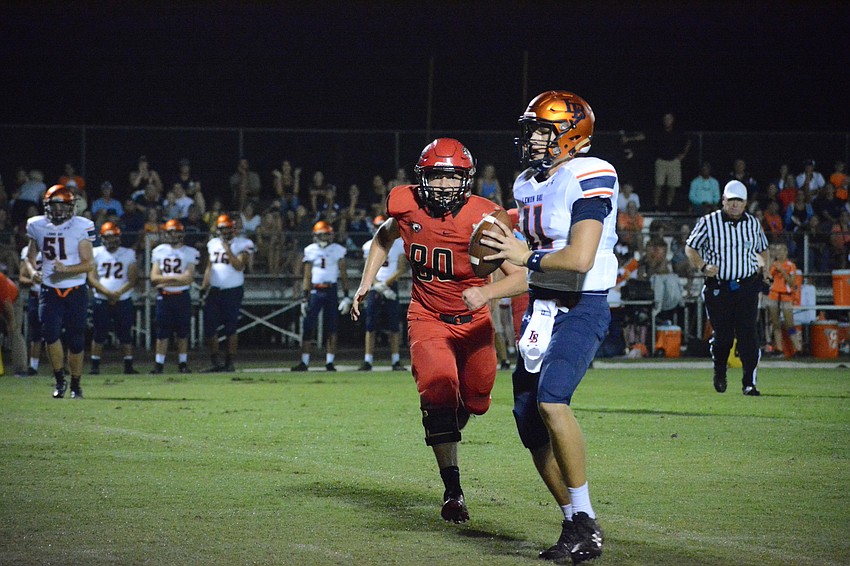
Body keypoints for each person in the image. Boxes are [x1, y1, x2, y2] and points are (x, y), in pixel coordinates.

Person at [464, 91, 615, 563]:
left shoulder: (591, 172)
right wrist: (489, 286)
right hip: (541, 309)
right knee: (529, 422)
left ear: (571, 135)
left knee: (552, 400)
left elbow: (578, 259)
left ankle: (587, 520)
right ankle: (573, 520)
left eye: (541, 131)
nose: (531, 139)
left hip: (582, 303)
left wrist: (519, 253)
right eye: (529, 129)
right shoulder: (527, 184)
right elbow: (526, 269)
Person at [352, 137, 525, 525]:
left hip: (475, 322)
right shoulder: (407, 205)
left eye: (452, 177)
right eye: (437, 176)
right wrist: (368, 279)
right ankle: (453, 490)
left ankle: (450, 416)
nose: (444, 185)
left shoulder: (487, 218)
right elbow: (384, 236)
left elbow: (522, 278)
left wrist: (487, 291)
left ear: (466, 179)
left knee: (477, 401)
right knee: (439, 389)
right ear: (422, 178)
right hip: (427, 316)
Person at [685, 180, 770, 396]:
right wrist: (702, 266)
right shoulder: (708, 222)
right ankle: (720, 370)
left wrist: (765, 271)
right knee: (723, 336)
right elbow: (691, 247)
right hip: (719, 286)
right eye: (730, 200)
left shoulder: (753, 223)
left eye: (738, 201)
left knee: (748, 335)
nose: (734, 205)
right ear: (723, 200)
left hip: (747, 285)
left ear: (745, 203)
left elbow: (763, 250)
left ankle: (749, 383)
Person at [25, 185, 95, 398]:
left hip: (75, 289)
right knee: (50, 335)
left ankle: (76, 384)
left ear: (72, 207)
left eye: (64, 206)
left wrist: (67, 269)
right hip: (49, 290)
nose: (59, 211)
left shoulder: (82, 226)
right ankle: (59, 380)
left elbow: (88, 264)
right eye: (55, 206)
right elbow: (29, 258)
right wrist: (31, 272)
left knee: (75, 340)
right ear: (47, 206)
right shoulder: (36, 225)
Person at [292, 221, 350, 372]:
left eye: (327, 234)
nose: (325, 237)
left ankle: (330, 362)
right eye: (323, 234)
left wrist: (346, 295)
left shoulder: (337, 249)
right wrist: (304, 297)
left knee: (332, 327)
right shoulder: (310, 250)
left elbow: (343, 273)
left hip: (331, 290)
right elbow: (307, 275)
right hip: (315, 291)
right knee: (308, 326)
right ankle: (304, 361)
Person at [200, 214, 255, 372]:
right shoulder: (213, 243)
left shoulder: (242, 243)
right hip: (215, 290)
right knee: (210, 328)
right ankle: (215, 362)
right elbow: (209, 268)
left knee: (231, 327)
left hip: (233, 290)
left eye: (228, 228)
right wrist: (204, 287)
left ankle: (229, 362)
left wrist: (227, 249)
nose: (225, 232)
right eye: (223, 229)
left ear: (234, 229)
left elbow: (239, 266)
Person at [88, 222, 140, 375]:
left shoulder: (128, 253)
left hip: (122, 298)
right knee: (99, 333)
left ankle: (128, 364)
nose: (111, 240)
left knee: (125, 333)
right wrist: (108, 293)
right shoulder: (96, 252)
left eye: (113, 237)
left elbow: (132, 278)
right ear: (102, 238)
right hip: (102, 298)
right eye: (108, 237)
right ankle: (95, 365)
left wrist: (117, 293)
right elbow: (92, 278)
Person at [357, 215, 407, 372]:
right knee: (370, 325)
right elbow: (367, 269)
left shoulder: (399, 244)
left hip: (390, 287)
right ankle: (368, 360)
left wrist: (385, 285)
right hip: (375, 288)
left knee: (394, 325)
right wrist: (378, 285)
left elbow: (401, 268)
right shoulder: (368, 245)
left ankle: (396, 360)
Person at [149, 219, 200, 374]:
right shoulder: (159, 250)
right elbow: (154, 278)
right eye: (170, 231)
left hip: (181, 296)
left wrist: (167, 279)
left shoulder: (190, 252)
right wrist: (177, 278)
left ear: (181, 233)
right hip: (164, 296)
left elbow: (189, 278)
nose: (173, 235)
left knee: (182, 332)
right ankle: (159, 364)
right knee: (162, 331)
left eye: (175, 231)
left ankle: (183, 363)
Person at [765, 242, 802, 357]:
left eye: (781, 250)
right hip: (774, 295)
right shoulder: (773, 265)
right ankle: (779, 349)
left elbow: (792, 283)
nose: (779, 252)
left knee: (789, 324)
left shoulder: (790, 265)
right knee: (775, 324)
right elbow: (768, 279)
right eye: (777, 250)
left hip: (786, 296)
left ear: (786, 252)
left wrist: (782, 271)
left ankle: (798, 348)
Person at [653, 113, 691, 211]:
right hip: (661, 161)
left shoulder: (678, 132)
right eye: (666, 119)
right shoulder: (659, 131)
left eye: (669, 119)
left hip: (674, 161)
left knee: (672, 185)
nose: (667, 121)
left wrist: (683, 155)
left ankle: (669, 206)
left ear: (672, 120)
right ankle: (656, 206)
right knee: (658, 184)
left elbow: (688, 141)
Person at [18, 243, 43, 375]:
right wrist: (34, 280)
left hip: (55, 295)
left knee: (58, 333)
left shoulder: (56, 245)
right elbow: (22, 277)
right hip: (36, 295)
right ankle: (33, 366)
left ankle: (62, 365)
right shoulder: (27, 250)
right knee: (36, 333)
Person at [0, 271, 29, 377]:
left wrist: (11, 322)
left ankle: (21, 369)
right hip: (3, 303)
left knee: (14, 333)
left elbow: (7, 303)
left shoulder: (0, 278)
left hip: (13, 301)